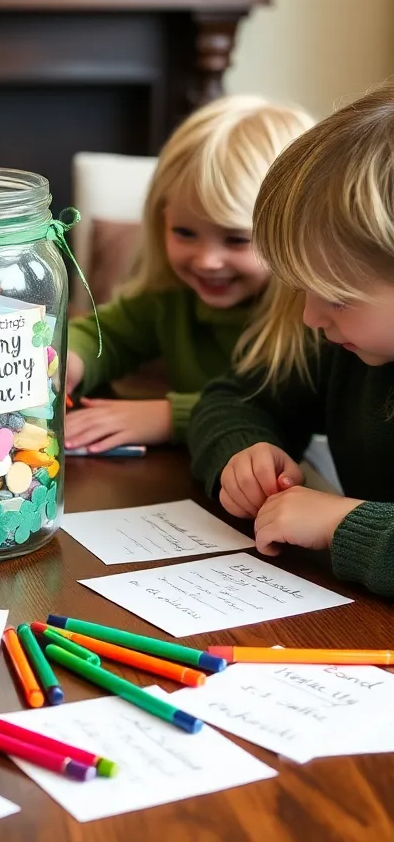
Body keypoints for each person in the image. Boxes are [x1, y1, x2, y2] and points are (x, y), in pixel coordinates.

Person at [189, 84, 394, 597]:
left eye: (337, 297)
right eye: (302, 290)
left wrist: (344, 524)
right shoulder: (343, 347)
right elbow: (234, 397)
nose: (309, 316)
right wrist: (247, 454)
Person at [65, 96, 314, 454]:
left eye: (236, 238)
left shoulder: (316, 319)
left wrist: (169, 416)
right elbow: (108, 335)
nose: (207, 261)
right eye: (184, 232)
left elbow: (286, 409)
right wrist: (70, 359)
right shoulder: (172, 297)